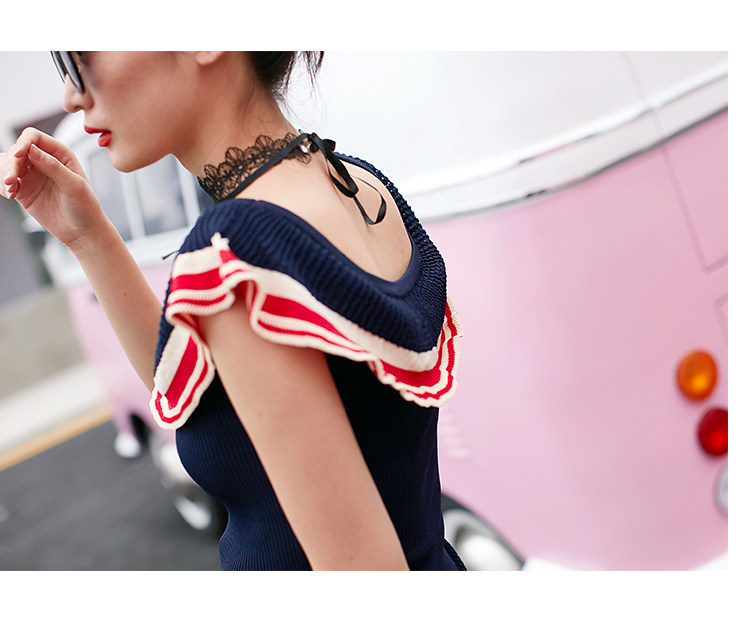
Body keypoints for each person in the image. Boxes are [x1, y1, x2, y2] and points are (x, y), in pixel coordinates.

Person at [0, 51, 464, 570]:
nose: (71, 94)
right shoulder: (358, 183)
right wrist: (88, 238)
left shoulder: (237, 250)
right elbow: (216, 400)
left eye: (78, 55)